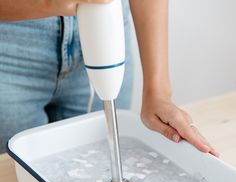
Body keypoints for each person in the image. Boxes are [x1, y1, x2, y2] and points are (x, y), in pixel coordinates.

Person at [0, 0, 219, 156]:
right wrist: (46, 3)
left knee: (102, 163)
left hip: (105, 24)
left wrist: (158, 92)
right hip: (10, 42)